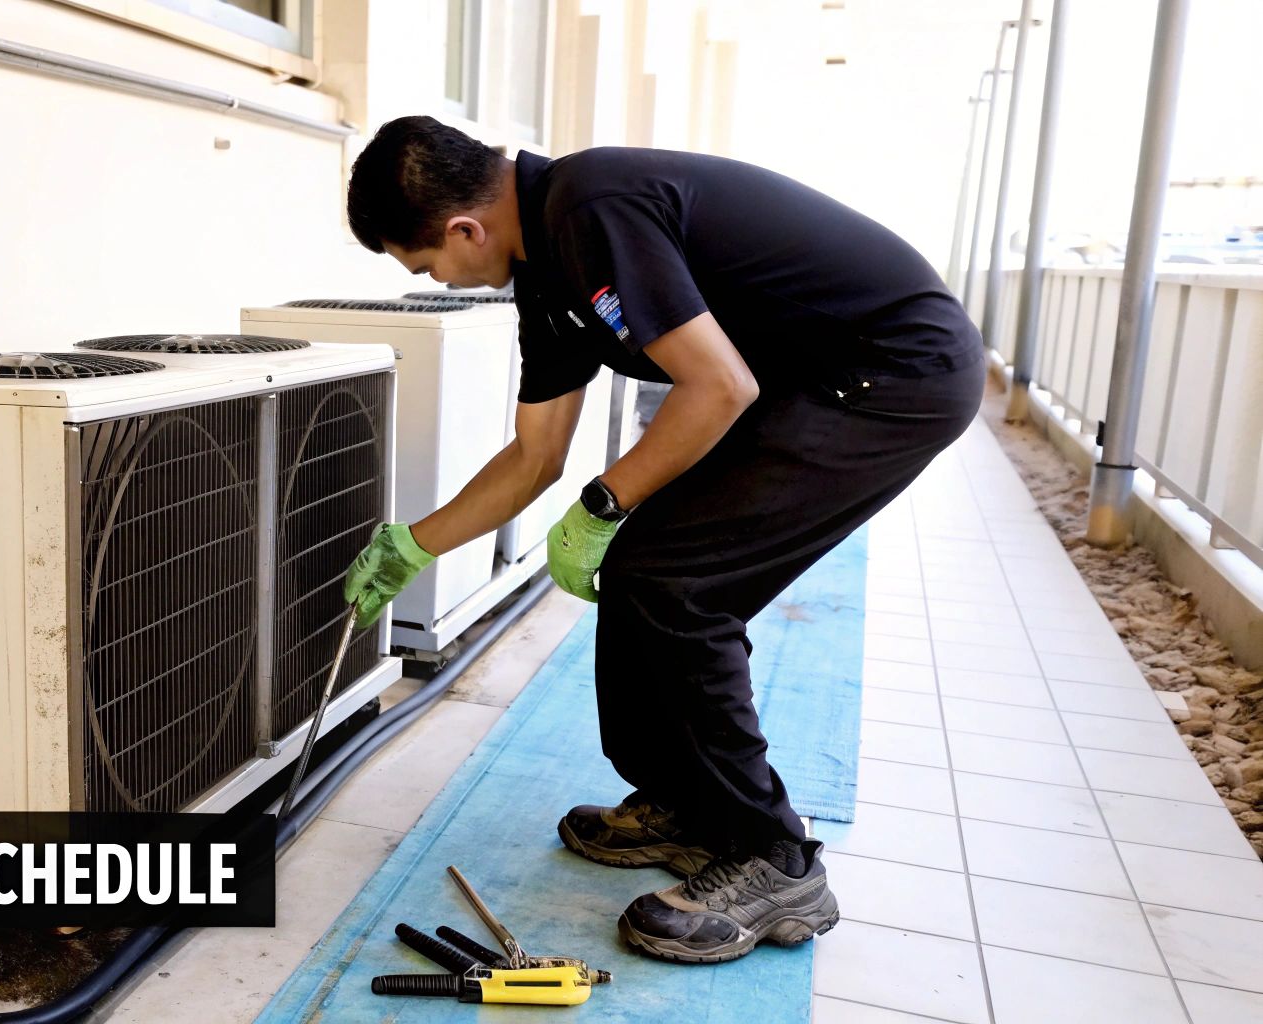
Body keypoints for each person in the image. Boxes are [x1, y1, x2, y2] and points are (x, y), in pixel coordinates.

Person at [340, 116, 983, 964]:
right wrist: (413, 546)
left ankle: (774, 857)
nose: (442, 281)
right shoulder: (545, 271)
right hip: (811, 382)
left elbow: (718, 386)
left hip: (890, 373)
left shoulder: (591, 206)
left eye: (427, 267)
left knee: (680, 585)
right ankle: (686, 805)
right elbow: (535, 457)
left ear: (465, 230)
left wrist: (603, 505)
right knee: (644, 568)